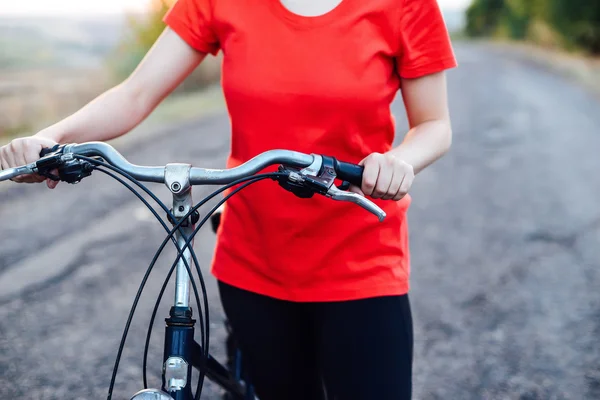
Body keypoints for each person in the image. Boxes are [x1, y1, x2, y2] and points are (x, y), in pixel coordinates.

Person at [0, 0, 457, 398]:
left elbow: (434, 124)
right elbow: (135, 94)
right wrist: (50, 137)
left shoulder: (406, 4)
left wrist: (400, 162)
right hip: (253, 262)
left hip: (361, 261)